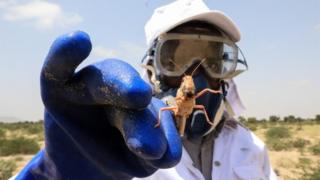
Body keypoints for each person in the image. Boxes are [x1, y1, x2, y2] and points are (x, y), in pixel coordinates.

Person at [13, 0, 276, 179]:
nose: (197, 76)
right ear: (151, 67)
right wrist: (53, 172)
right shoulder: (121, 150)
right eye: (176, 59)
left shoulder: (252, 147)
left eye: (214, 60)